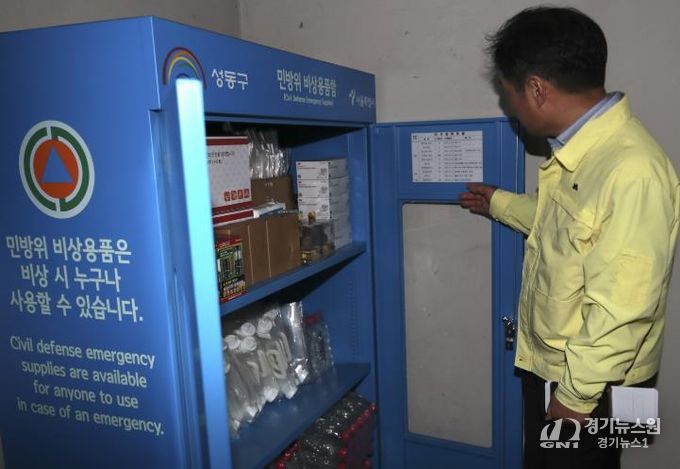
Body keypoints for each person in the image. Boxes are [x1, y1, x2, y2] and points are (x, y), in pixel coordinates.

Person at [460, 6, 680, 469]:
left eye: (508, 94)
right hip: (584, 371)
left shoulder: (634, 169)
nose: (510, 108)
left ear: (537, 89)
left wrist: (575, 398)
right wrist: (500, 203)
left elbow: (626, 308)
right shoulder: (582, 149)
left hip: (595, 383)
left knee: (581, 463)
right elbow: (570, 229)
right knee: (592, 460)